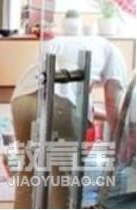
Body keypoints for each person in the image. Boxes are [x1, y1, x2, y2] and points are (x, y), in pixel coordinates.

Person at [10, 35, 127, 209]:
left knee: (29, 171)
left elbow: (82, 104)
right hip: (58, 102)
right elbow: (112, 102)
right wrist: (121, 142)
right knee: (62, 178)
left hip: (22, 100)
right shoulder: (114, 53)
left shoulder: (65, 42)